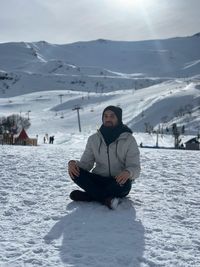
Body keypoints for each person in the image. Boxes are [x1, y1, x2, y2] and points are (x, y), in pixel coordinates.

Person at [67, 106, 141, 209]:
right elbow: (86, 164)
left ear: (118, 119)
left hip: (118, 182)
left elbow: (135, 167)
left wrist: (128, 172)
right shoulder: (93, 139)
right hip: (98, 180)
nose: (108, 119)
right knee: (75, 172)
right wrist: (73, 163)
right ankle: (105, 199)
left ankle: (90, 196)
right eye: (105, 116)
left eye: (112, 116)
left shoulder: (129, 140)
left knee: (125, 185)